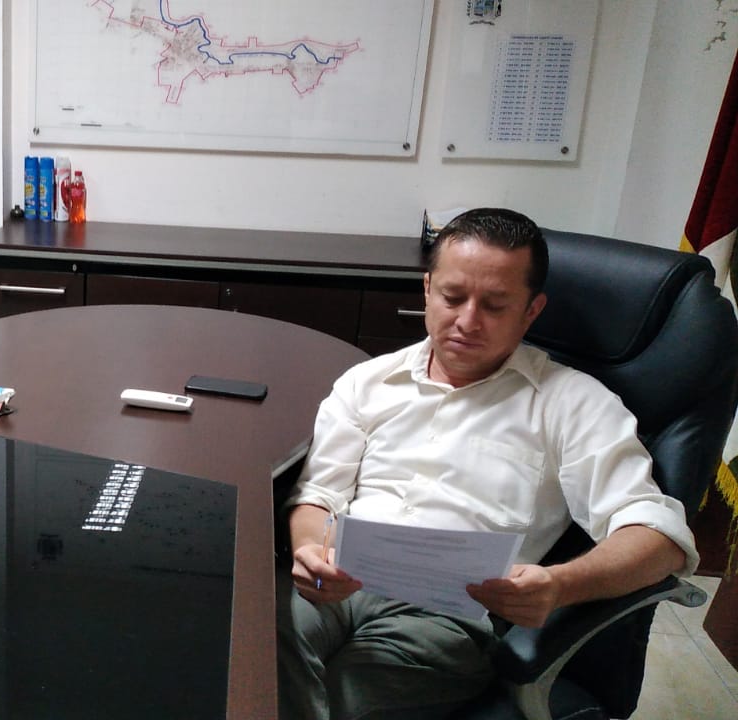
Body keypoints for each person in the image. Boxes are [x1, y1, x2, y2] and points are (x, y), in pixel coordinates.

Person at [278, 208, 697, 719]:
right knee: (246, 649)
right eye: (452, 297)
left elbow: (658, 538)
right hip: (343, 578)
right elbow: (319, 494)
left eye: (495, 305)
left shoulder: (573, 404)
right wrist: (311, 551)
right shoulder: (367, 382)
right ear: (427, 290)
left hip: (447, 613)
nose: (467, 321)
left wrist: (561, 584)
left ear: (532, 310)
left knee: (343, 699)